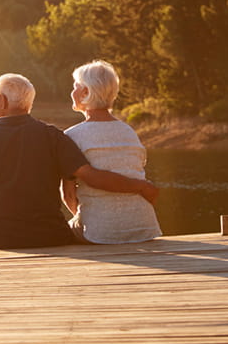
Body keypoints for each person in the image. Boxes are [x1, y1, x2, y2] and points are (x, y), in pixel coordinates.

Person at [0, 73, 158, 249]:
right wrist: (140, 186)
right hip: (51, 235)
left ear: (2, 101)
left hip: (2, 238)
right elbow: (87, 177)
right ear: (29, 104)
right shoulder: (54, 136)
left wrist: (6, 227)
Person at [62, 60, 162, 244]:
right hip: (144, 228)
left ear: (85, 92)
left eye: (75, 86)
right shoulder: (129, 132)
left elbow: (68, 195)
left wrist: (92, 220)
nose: (72, 92)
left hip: (99, 233)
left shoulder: (71, 136)